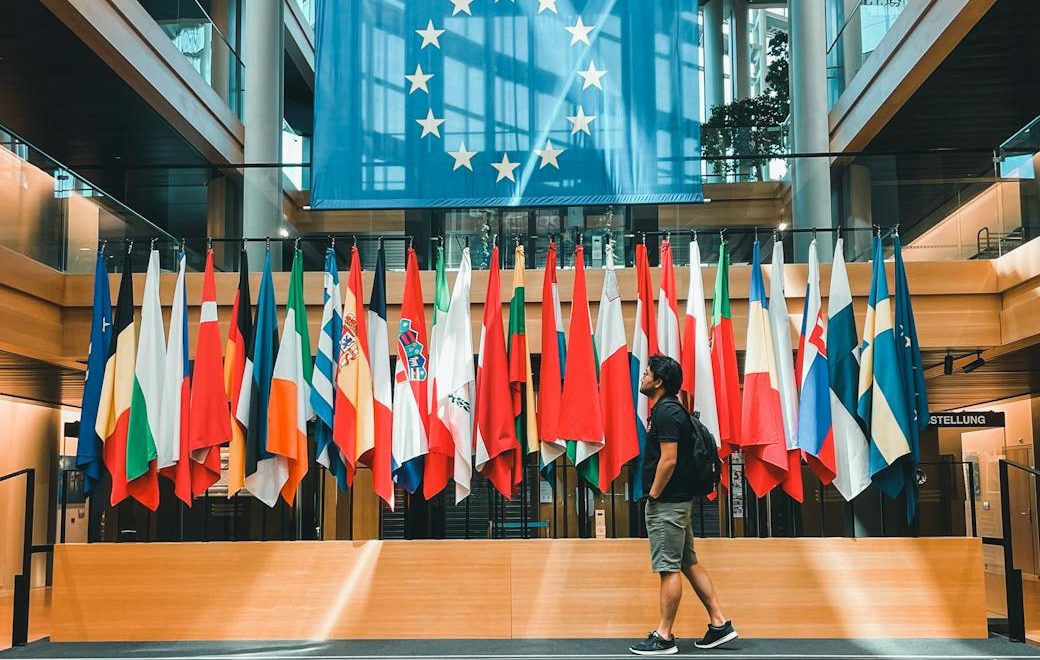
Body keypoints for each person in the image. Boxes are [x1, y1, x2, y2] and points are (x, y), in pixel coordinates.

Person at [628, 355, 738, 655]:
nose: (643, 378)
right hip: (679, 502)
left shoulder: (665, 413)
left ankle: (664, 636)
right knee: (688, 562)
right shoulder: (675, 410)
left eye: (647, 373)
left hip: (668, 504)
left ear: (659, 382)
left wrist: (653, 495)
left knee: (668, 568)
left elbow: (669, 459)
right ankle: (719, 624)